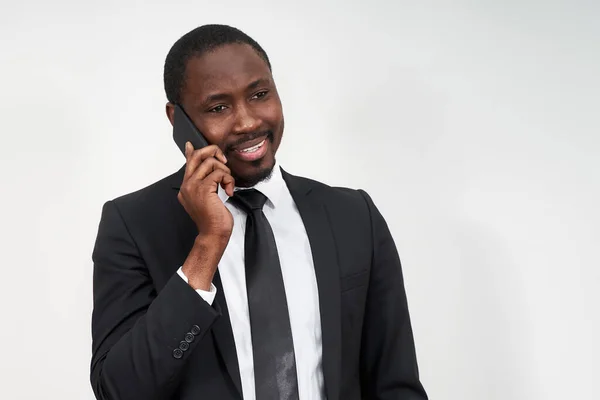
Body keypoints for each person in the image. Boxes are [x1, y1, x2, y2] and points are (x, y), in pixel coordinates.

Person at [90, 24, 428, 400]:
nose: (248, 122)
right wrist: (207, 245)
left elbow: (396, 383)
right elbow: (118, 391)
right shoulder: (133, 224)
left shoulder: (353, 216)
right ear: (178, 120)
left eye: (260, 94)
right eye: (219, 107)